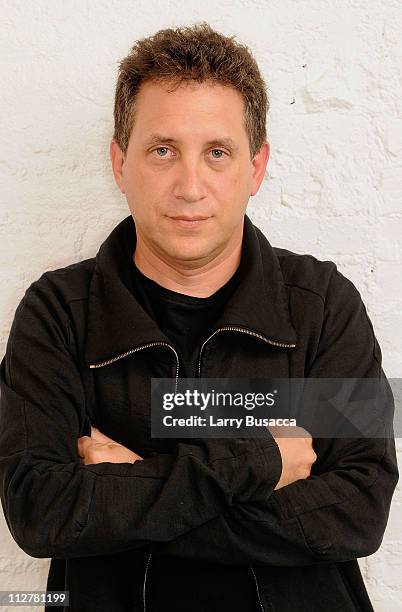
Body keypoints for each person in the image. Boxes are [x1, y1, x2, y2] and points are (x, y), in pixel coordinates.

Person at [0, 22, 398, 612]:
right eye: (163, 150)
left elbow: (358, 511)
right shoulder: (57, 313)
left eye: (217, 152)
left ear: (256, 167)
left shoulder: (324, 303)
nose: (191, 186)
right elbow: (42, 511)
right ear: (119, 162)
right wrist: (262, 460)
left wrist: (136, 479)